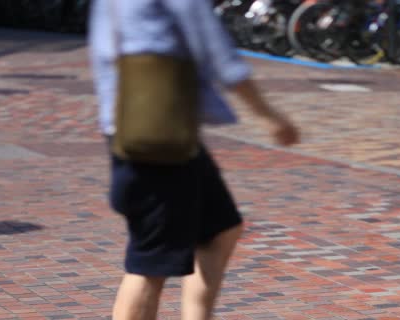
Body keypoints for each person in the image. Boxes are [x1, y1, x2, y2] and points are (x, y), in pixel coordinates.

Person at [88, 0, 300, 319]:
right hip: (157, 137)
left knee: (221, 227)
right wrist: (270, 117)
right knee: (150, 262)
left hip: (148, 130)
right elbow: (219, 55)